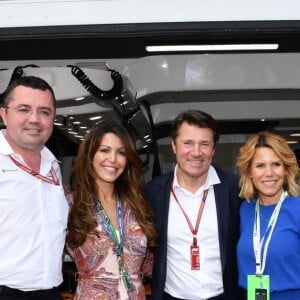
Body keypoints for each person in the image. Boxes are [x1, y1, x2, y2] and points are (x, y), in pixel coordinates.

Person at [144, 109, 243, 300]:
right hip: (171, 296)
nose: (196, 152)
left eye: (204, 144)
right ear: (174, 145)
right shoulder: (153, 192)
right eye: (187, 143)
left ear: (213, 149)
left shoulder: (235, 189)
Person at [67, 120, 158, 300]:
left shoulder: (136, 204)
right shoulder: (71, 205)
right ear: (89, 155)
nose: (113, 159)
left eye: (121, 152)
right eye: (105, 150)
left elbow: (148, 262)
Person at [0, 76, 69, 300]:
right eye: (24, 109)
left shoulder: (53, 167)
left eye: (44, 112)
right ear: (3, 114)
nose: (34, 119)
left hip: (50, 291)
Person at [236, 131, 300, 300]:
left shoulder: (297, 209)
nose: (269, 173)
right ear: (249, 171)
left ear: (286, 169)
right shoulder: (245, 210)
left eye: (276, 164)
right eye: (260, 165)